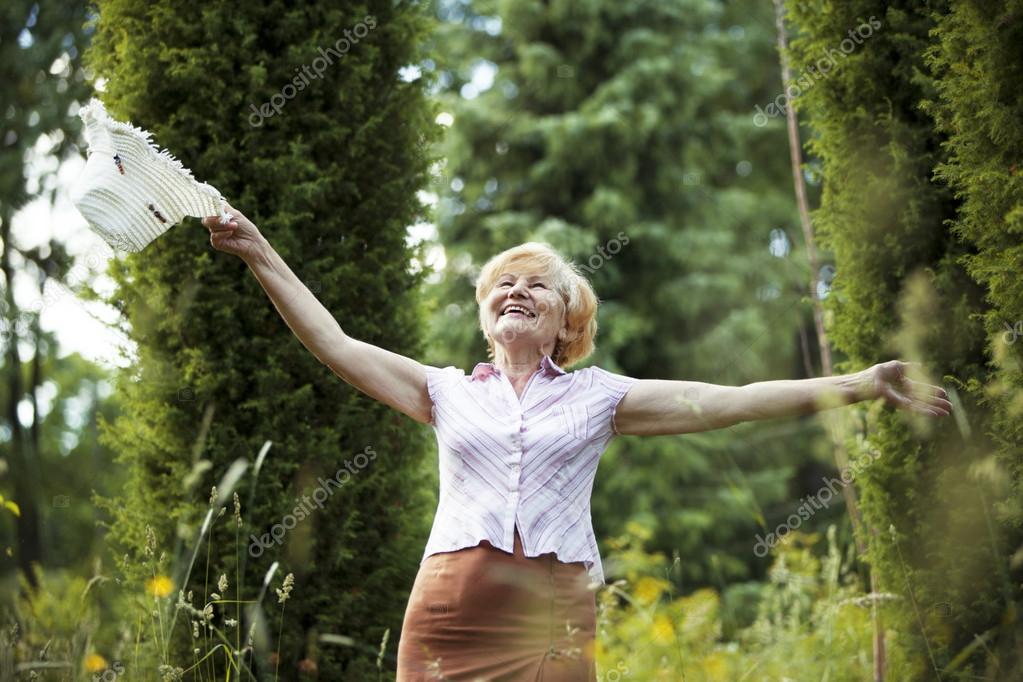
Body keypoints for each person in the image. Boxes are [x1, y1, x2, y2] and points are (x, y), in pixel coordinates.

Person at [202, 206, 952, 681]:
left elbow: (730, 403)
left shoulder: (600, 397)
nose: (517, 291)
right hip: (450, 611)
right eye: (503, 284)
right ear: (486, 315)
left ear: (568, 320)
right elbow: (332, 341)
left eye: (537, 284)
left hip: (552, 611)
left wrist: (859, 381)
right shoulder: (443, 391)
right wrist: (260, 251)